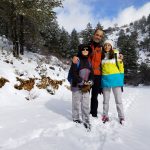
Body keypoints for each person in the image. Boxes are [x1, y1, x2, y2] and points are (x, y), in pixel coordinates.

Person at [73, 29, 123, 118]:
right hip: (87, 75)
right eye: (97, 35)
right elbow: (80, 53)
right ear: (94, 35)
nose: (98, 37)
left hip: (97, 75)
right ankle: (84, 113)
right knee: (85, 95)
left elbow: (110, 52)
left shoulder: (101, 48)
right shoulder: (87, 46)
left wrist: (119, 54)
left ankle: (93, 113)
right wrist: (75, 57)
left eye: (100, 36)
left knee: (94, 96)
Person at [69, 44, 94, 130]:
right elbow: (74, 73)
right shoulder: (76, 60)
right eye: (83, 50)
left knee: (86, 104)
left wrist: (90, 81)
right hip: (76, 85)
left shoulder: (89, 62)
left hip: (86, 87)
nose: (85, 51)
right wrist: (82, 82)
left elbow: (92, 74)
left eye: (87, 50)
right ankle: (76, 118)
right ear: (80, 51)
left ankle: (86, 119)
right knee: (76, 103)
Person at [101, 40, 125, 125]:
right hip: (105, 81)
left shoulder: (116, 54)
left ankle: (121, 117)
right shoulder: (101, 55)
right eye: (105, 45)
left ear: (111, 46)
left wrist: (121, 81)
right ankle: (105, 115)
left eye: (109, 45)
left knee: (118, 100)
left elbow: (121, 68)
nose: (107, 46)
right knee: (105, 101)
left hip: (116, 80)